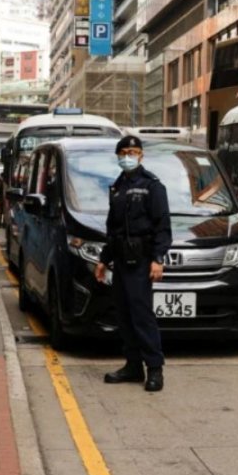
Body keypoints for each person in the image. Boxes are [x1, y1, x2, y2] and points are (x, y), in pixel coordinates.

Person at [94, 136, 171, 392]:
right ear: (118, 156)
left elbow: (163, 227)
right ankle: (133, 365)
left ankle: (155, 369)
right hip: (121, 261)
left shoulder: (152, 186)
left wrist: (158, 259)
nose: (128, 156)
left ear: (141, 156)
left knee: (142, 316)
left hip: (141, 261)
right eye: (124, 152)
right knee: (124, 316)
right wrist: (104, 260)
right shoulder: (116, 187)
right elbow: (112, 229)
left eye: (133, 152)